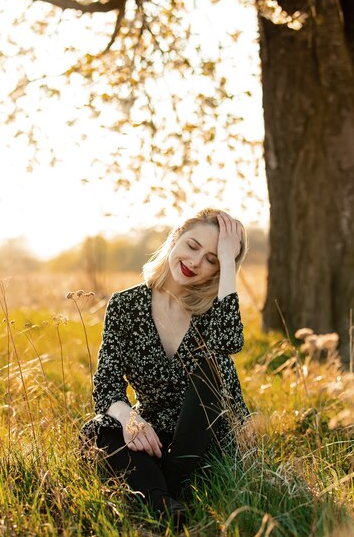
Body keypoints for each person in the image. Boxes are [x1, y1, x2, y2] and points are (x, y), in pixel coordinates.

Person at [79, 208, 250, 527]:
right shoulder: (125, 306)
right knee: (98, 429)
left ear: (219, 270)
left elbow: (229, 341)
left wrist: (230, 263)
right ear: (175, 238)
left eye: (213, 259)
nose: (196, 261)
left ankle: (160, 487)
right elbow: (106, 387)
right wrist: (130, 419)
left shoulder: (215, 310)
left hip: (208, 436)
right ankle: (164, 503)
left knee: (211, 369)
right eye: (193, 246)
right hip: (153, 433)